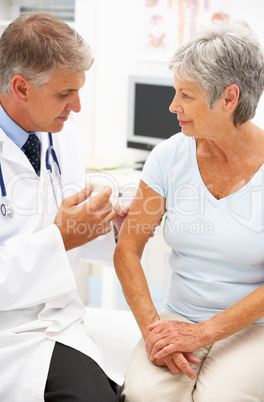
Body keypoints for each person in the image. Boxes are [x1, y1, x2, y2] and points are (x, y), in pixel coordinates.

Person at [114, 20, 264, 402]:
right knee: (144, 396)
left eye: (186, 94)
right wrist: (155, 331)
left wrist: (206, 333)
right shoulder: (168, 156)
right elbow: (127, 249)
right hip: (176, 318)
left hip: (255, 326)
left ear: (229, 98)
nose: (172, 106)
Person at [0, 12, 128, 402]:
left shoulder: (62, 135)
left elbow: (67, 235)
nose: (76, 105)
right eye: (63, 93)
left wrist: (107, 224)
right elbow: (57, 237)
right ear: (21, 87)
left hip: (58, 323)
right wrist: (61, 236)